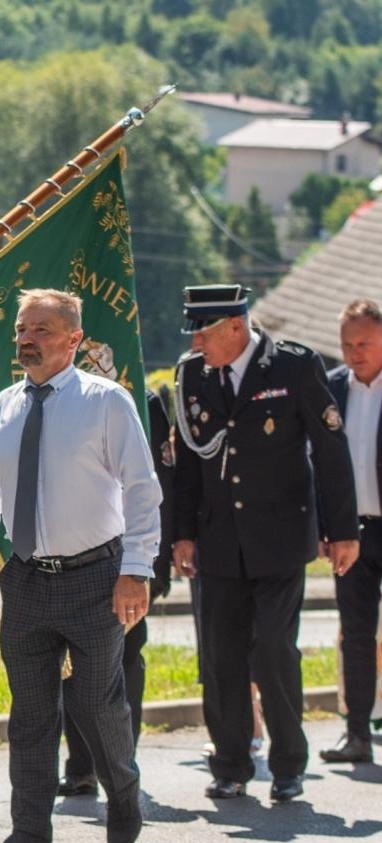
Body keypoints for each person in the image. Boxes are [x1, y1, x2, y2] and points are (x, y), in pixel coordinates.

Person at [0, 289, 160, 843]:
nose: (27, 339)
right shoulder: (0, 409)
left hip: (96, 577)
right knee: (31, 713)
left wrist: (136, 570)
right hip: (26, 581)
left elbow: (141, 489)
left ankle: (123, 790)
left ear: (74, 339)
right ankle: (30, 834)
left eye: (42, 330)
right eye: (23, 329)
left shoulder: (106, 402)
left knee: (95, 703)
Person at [172, 283, 359, 802]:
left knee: (274, 649)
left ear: (236, 326)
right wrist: (182, 534)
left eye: (204, 333)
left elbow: (330, 450)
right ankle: (231, 763)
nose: (196, 344)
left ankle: (288, 763)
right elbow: (187, 463)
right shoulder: (192, 374)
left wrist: (342, 531)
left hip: (280, 538)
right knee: (222, 655)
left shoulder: (294, 366)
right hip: (218, 541)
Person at [58, 387, 175, 796]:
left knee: (124, 662)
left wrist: (154, 566)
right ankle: (81, 766)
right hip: (72, 557)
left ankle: (123, 764)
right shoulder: (58, 396)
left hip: (130, 559)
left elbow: (161, 487)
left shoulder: (142, 397)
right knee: (70, 665)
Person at [321, 298, 382, 765]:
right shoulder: (332, 388)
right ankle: (357, 732)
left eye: (364, 343)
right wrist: (326, 525)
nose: (354, 353)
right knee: (356, 634)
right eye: (347, 345)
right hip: (351, 534)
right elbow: (318, 463)